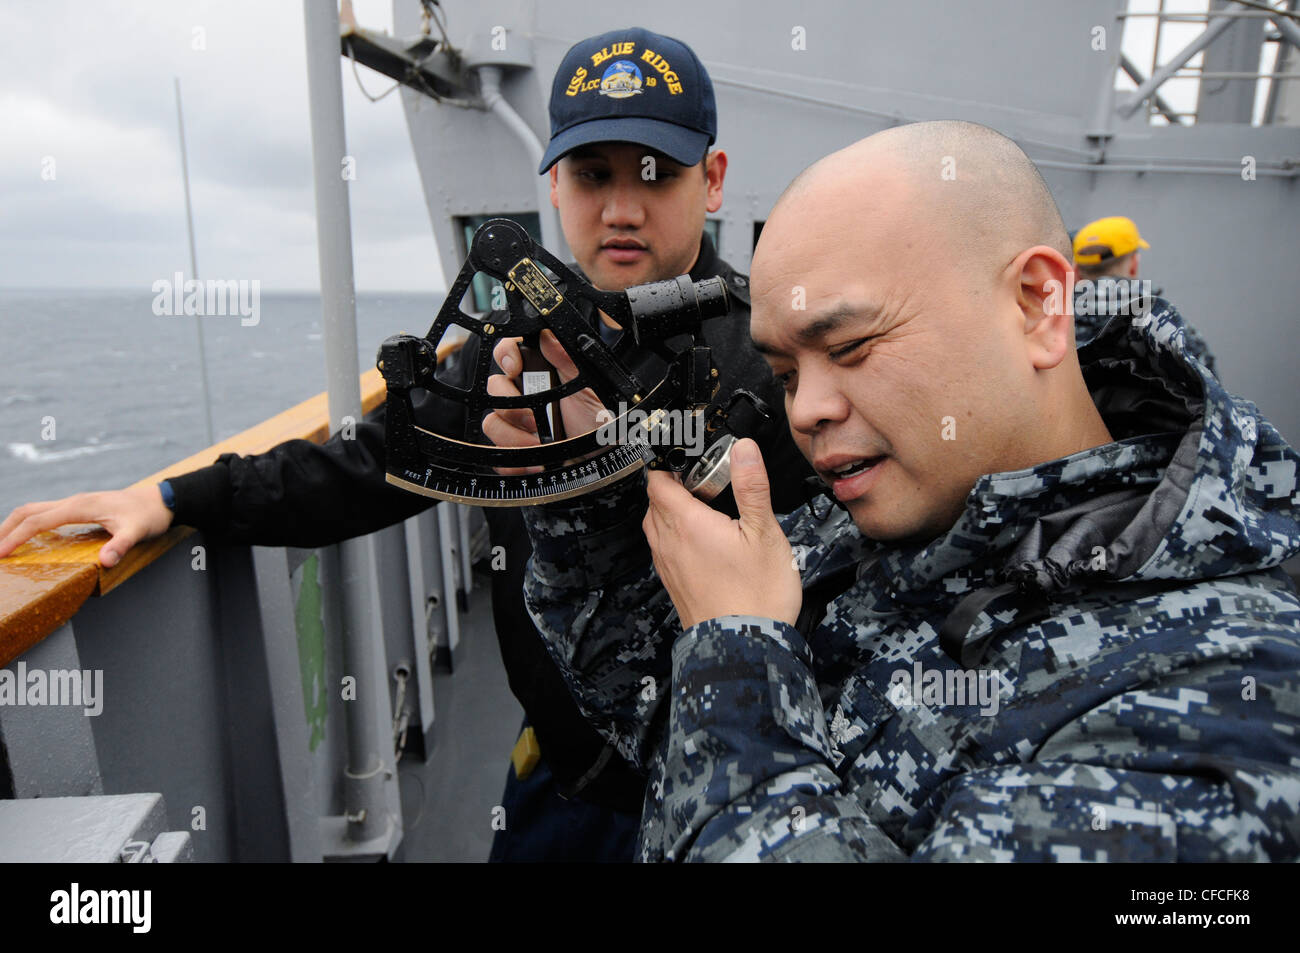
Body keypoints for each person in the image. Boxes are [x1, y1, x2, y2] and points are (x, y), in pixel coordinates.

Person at [0, 26, 814, 863]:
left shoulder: (780, 368)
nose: (620, 207)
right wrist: (173, 497)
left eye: (656, 173)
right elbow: (362, 466)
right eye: (591, 174)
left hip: (733, 789)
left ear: (712, 181)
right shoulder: (506, 355)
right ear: (555, 186)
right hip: (566, 783)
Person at [488, 120, 1300, 862]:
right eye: (783, 373)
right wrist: (585, 484)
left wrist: (737, 649)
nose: (806, 409)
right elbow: (655, 703)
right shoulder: (889, 514)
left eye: (851, 345)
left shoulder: (1232, 699)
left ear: (1037, 302)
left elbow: (723, 691)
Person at [1071, 215, 1217, 374]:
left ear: (1076, 272)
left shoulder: (1054, 323)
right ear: (1134, 264)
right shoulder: (1171, 328)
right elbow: (1209, 387)